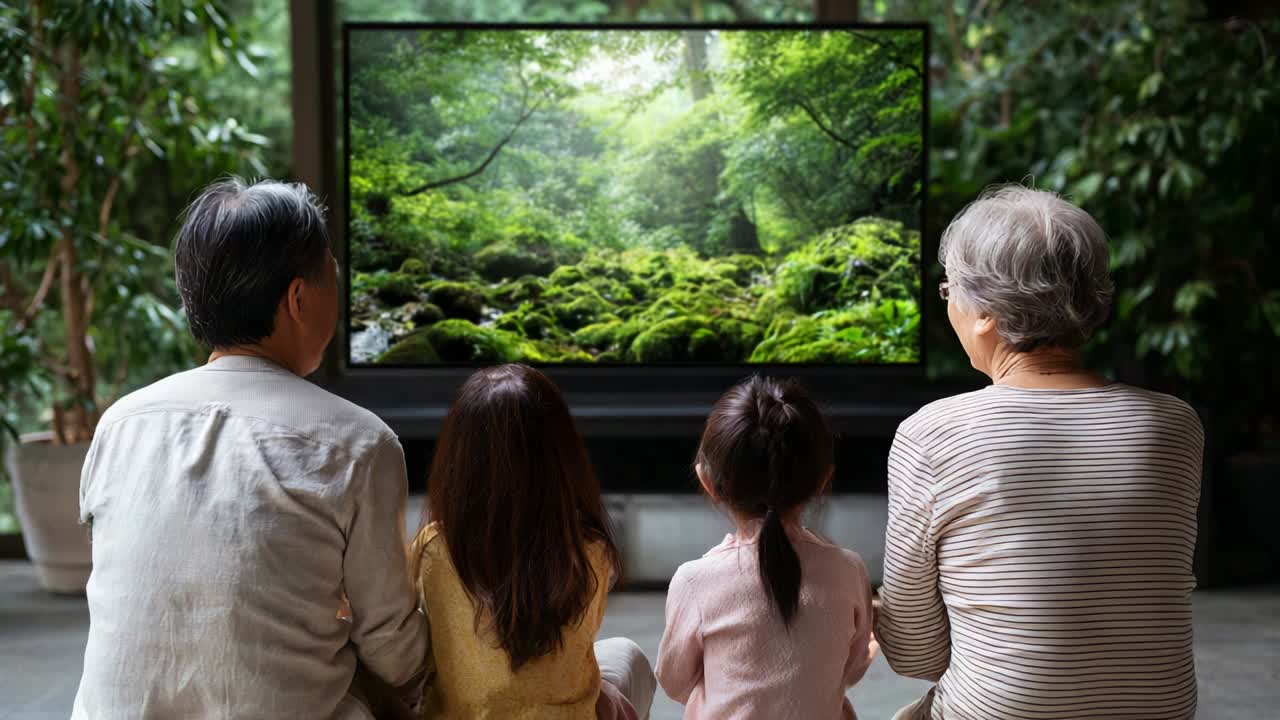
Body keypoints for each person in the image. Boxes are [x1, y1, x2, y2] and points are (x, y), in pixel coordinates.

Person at [73, 178, 428, 719]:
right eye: (333, 274)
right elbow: (395, 653)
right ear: (299, 298)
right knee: (609, 661)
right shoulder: (359, 443)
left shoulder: (120, 423)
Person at [876, 184, 1204, 719]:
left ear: (984, 312)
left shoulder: (934, 433)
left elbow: (915, 650)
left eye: (949, 290)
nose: (949, 303)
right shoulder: (1175, 425)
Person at [408, 363, 656, 720]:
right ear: (561, 456)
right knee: (625, 654)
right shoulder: (592, 552)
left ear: (458, 460)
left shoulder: (432, 548)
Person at [656, 376, 877, 719]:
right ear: (823, 481)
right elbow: (852, 669)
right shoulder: (849, 569)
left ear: (707, 481)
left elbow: (674, 682)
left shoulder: (694, 581)